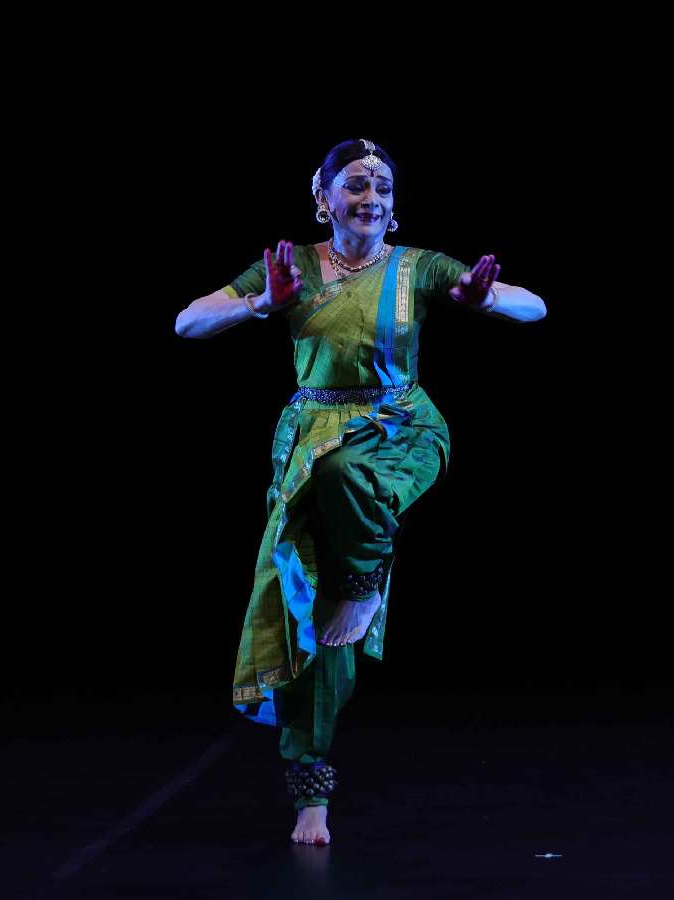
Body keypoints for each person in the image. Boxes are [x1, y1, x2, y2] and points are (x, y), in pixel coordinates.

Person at [175, 139, 546, 845]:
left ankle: (366, 575)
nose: (369, 197)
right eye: (354, 185)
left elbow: (538, 308)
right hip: (310, 441)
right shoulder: (291, 269)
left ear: (394, 209)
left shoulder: (419, 268)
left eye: (381, 188)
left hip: (400, 430)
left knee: (351, 478)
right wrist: (260, 303)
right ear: (323, 198)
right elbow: (187, 321)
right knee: (307, 620)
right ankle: (310, 792)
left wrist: (486, 298)